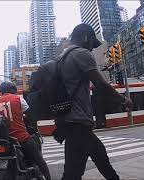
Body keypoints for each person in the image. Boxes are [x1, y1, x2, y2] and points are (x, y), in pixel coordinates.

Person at [56, 23, 133, 180]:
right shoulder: (81, 54)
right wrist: (124, 100)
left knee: (100, 155)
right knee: (72, 173)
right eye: (92, 43)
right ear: (85, 38)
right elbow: (101, 85)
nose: (92, 48)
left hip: (70, 120)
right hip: (78, 123)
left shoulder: (62, 57)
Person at [0, 82, 51, 180]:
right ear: (12, 90)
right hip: (21, 138)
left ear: (1, 91)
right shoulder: (18, 99)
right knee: (39, 160)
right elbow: (30, 115)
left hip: (5, 140)